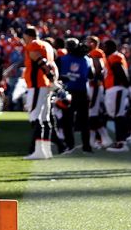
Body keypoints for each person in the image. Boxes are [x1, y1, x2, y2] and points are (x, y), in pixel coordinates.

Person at [23, 27, 57, 160]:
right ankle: (46, 150)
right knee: (44, 118)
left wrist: (50, 76)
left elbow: (40, 61)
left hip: (37, 85)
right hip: (44, 86)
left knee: (35, 117)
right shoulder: (47, 45)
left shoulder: (34, 45)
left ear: (28, 35)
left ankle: (39, 150)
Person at [57, 38, 92, 153]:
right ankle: (86, 146)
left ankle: (69, 145)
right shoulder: (86, 59)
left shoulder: (62, 59)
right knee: (84, 121)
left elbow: (57, 76)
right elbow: (91, 75)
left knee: (67, 120)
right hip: (82, 91)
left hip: (68, 92)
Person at [100, 40, 131, 153]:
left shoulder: (115, 57)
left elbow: (121, 73)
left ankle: (121, 142)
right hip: (114, 89)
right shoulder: (112, 57)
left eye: (105, 47)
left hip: (117, 89)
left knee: (119, 115)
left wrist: (128, 87)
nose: (103, 49)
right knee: (117, 115)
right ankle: (120, 140)